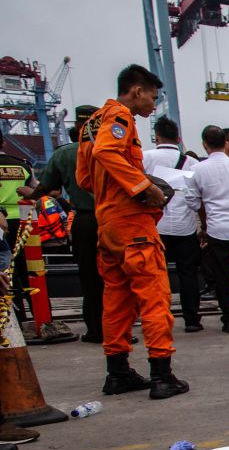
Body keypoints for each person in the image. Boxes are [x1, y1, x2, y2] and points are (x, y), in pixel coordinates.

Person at [76, 64, 188, 399]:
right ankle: (162, 375)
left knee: (116, 300)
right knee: (154, 299)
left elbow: (85, 178)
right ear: (137, 90)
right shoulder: (120, 116)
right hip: (133, 224)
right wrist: (143, 188)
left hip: (107, 224)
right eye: (153, 97)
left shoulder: (90, 124)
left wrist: (111, 194)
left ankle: (118, 371)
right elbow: (107, 152)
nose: (154, 105)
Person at [32, 106, 103, 342]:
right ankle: (117, 329)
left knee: (89, 277)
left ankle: (95, 329)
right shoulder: (108, 149)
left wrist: (31, 194)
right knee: (115, 277)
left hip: (83, 221)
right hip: (112, 218)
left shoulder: (63, 154)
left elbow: (46, 187)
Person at [186, 124, 229, 334]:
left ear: (204, 145)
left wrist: (205, 223)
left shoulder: (196, 169)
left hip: (217, 230)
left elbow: (193, 202)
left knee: (222, 277)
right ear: (225, 143)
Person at [143, 116, 202, 332]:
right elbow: (198, 197)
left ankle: (157, 319)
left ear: (156, 136)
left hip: (155, 226)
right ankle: (192, 319)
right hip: (185, 226)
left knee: (155, 275)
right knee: (188, 273)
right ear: (178, 138)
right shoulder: (192, 163)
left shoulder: (145, 158)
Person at [0, 131, 35, 322]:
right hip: (24, 221)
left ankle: (17, 319)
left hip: (1, 224)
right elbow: (36, 189)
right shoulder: (22, 165)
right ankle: (40, 316)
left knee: (6, 273)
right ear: (3, 143)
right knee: (29, 270)